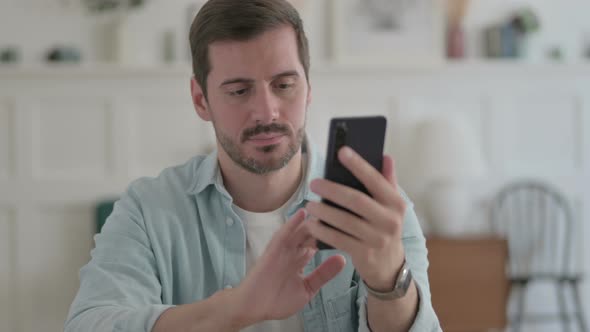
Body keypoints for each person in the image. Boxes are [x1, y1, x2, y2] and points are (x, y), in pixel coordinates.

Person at [65, 0, 441, 331]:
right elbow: (88, 323)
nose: (266, 111)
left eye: (284, 84)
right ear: (200, 99)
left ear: (308, 88)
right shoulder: (147, 211)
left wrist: (389, 282)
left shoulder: (378, 211)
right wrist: (236, 309)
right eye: (239, 91)